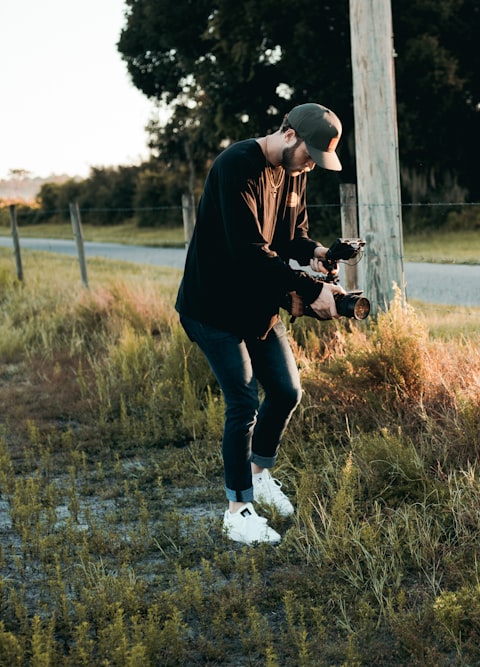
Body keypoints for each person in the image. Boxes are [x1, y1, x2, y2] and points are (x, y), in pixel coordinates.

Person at [176, 103, 347, 545]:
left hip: (256, 306)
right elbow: (251, 252)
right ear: (288, 134)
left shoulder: (294, 173)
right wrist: (311, 292)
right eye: (309, 154)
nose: (311, 164)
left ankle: (259, 476)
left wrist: (318, 255)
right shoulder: (237, 166)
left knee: (288, 391)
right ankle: (238, 510)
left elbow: (294, 235)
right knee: (243, 401)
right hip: (212, 308)